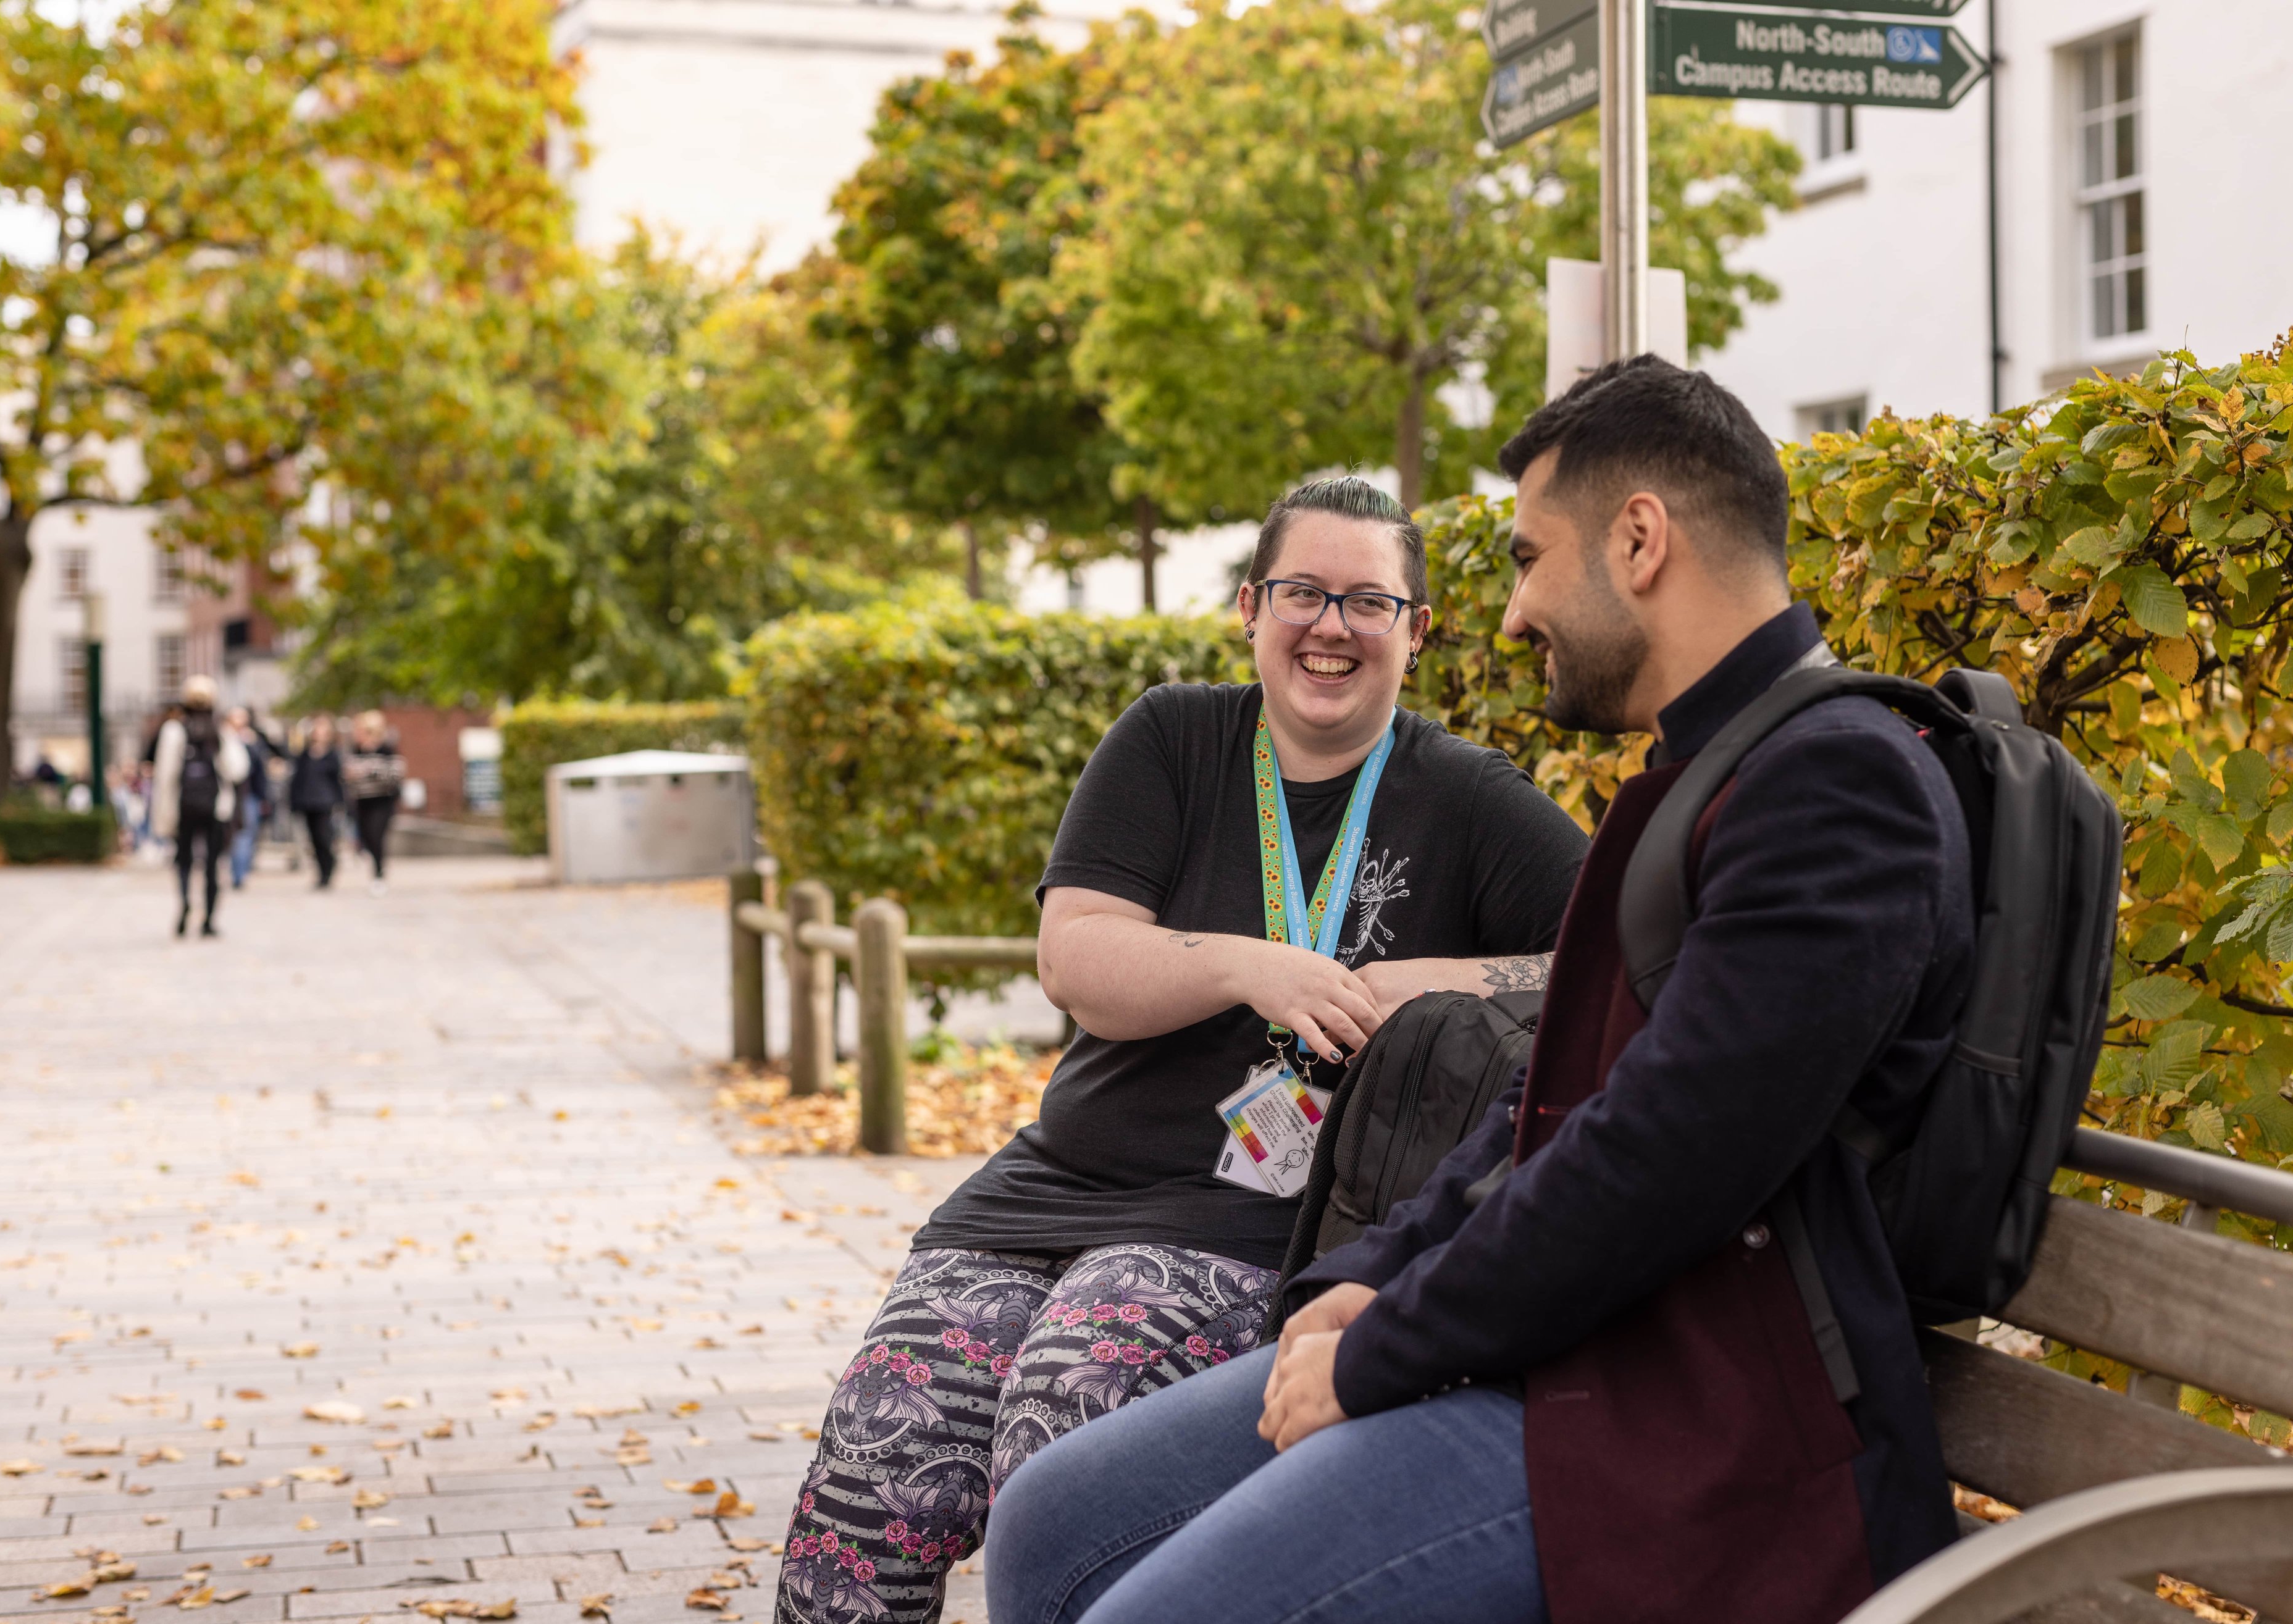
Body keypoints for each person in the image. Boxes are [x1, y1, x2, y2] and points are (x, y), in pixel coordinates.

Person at [984, 359, 1979, 1624]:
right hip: (1559, 1350)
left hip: (1682, 1419)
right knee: (1050, 1523)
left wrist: (1388, 1347)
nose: (1511, 614)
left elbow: (1657, 1164)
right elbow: (1550, 1105)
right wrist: (1369, 1275)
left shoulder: (1837, 785)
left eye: (1526, 556)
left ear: (1637, 540)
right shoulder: (1702, 777)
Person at [774, 477, 1589, 1624]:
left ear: (1415, 631)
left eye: (1368, 601)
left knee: (1061, 1427)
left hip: (1240, 1222)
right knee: (869, 1461)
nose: (1330, 626)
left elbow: (1610, 961)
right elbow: (1075, 959)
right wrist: (1248, 964)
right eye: (1302, 593)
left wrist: (1433, 981)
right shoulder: (1170, 739)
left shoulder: (1462, 798)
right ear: (1250, 608)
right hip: (1047, 1191)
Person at [152, 676, 249, 938]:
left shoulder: (174, 730)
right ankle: (208, 919)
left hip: (184, 807)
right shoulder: (221, 731)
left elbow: (165, 775)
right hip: (215, 807)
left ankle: (185, 902)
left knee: (183, 861)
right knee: (212, 865)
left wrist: (162, 814)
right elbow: (238, 770)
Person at [343, 710, 405, 895]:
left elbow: (396, 773)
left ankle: (378, 874)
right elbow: (348, 773)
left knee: (377, 835)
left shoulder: (387, 749)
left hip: (383, 802)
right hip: (362, 801)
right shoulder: (356, 750)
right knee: (367, 838)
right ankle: (377, 867)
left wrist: (369, 770)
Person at [288, 715, 347, 890]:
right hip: (307, 802)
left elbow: (338, 780)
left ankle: (328, 870)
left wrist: (341, 802)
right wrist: (294, 802)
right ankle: (321, 874)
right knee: (313, 841)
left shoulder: (332, 755)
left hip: (325, 802)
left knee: (324, 838)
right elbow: (297, 780)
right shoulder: (305, 754)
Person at [225, 707, 272, 890]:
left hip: (248, 795)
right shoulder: (224, 739)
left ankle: (240, 873)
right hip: (231, 795)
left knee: (245, 835)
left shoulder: (253, 741)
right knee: (236, 836)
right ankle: (237, 871)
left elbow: (260, 771)